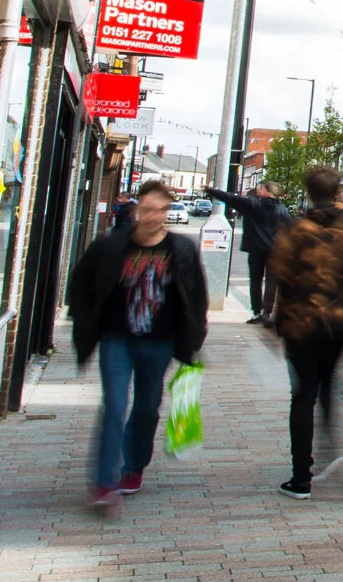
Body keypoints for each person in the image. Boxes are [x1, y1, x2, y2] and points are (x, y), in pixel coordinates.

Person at [68, 179, 209, 506]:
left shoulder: (182, 249)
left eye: (161, 209)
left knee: (146, 408)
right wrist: (85, 322)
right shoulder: (110, 247)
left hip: (160, 343)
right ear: (137, 209)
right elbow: (80, 284)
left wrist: (194, 335)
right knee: (115, 406)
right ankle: (104, 481)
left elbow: (196, 294)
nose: (153, 216)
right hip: (117, 339)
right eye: (147, 209)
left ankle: (134, 466)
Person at [267, 164, 343, 500]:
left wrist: (273, 319)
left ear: (308, 192)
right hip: (338, 324)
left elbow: (279, 275)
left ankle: (301, 476)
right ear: (337, 192)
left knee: (303, 395)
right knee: (328, 385)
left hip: (300, 325)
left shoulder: (295, 228)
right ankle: (333, 449)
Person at [205, 181, 292, 325]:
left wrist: (210, 190)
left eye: (260, 188)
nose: (258, 190)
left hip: (256, 249)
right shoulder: (282, 210)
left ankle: (257, 311)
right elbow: (289, 229)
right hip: (276, 251)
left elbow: (229, 198)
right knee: (272, 281)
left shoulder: (253, 205)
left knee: (256, 280)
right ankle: (267, 312)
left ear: (265, 190)